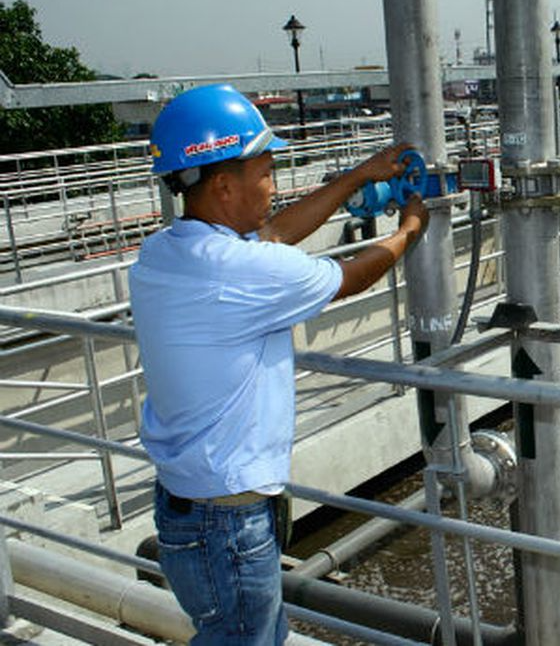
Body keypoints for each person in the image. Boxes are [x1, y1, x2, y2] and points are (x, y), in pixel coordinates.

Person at [129, 83, 428, 644]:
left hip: (189, 509)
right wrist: (409, 231)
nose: (273, 185)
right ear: (222, 185)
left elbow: (271, 233)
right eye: (265, 173)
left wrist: (359, 176)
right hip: (227, 523)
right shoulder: (239, 272)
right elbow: (349, 276)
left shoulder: (167, 251)